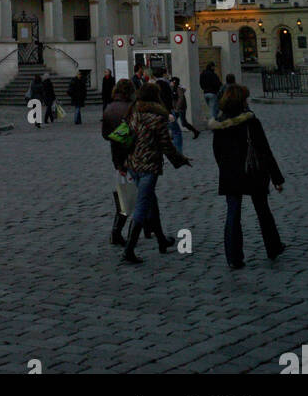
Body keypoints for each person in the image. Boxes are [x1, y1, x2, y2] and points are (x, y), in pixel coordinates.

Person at [209, 85, 286, 270]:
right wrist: (277, 178)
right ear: (241, 101)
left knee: (233, 213)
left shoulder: (220, 124)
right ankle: (273, 247)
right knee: (263, 210)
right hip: (253, 171)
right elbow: (264, 150)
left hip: (230, 173)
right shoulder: (251, 121)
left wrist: (225, 168)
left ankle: (233, 256)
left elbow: (216, 151)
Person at [121, 82, 192, 264]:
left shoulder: (132, 113)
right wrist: (180, 160)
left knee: (151, 201)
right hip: (148, 167)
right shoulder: (157, 118)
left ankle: (161, 239)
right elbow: (166, 146)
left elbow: (122, 137)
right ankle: (129, 249)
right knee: (143, 204)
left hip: (133, 164)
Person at [102, 78, 136, 246]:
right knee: (135, 196)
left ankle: (154, 230)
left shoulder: (109, 108)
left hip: (116, 157)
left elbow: (105, 134)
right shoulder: (132, 108)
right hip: (131, 156)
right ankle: (117, 232)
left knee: (125, 194)